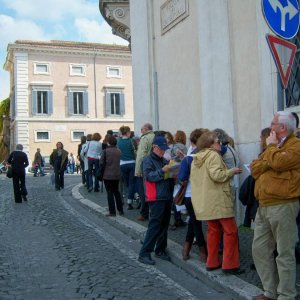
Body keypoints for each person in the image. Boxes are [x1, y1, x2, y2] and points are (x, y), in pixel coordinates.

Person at [251, 111, 300, 300]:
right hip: (263, 205)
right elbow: (255, 168)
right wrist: (271, 157)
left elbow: (279, 163)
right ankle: (269, 291)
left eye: (273, 124)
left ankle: (286, 295)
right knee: (260, 249)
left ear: (282, 127)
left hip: (283, 204)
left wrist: (271, 152)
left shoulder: (296, 145)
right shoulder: (274, 146)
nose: (270, 127)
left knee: (284, 252)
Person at [190, 131, 243, 275]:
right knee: (230, 231)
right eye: (218, 142)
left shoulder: (198, 157)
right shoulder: (213, 155)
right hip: (218, 199)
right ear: (210, 144)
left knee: (213, 231)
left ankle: (212, 262)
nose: (220, 144)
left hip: (206, 201)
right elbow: (217, 175)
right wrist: (231, 171)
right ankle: (230, 265)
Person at [138, 136, 173, 265]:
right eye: (161, 149)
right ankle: (144, 253)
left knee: (164, 225)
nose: (163, 151)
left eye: (164, 149)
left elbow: (165, 176)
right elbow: (149, 177)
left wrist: (172, 172)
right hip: (156, 197)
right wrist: (163, 171)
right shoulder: (147, 160)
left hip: (166, 196)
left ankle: (160, 250)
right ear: (155, 147)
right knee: (155, 226)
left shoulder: (164, 160)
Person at [179, 128, 208, 261]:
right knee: (195, 222)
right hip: (203, 194)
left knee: (195, 223)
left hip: (190, 195)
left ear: (192, 142)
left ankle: (197, 250)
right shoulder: (209, 156)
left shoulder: (189, 159)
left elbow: (182, 178)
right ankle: (190, 250)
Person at [135, 123, 155, 221]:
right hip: (152, 166)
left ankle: (144, 213)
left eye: (142, 129)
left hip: (143, 167)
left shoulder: (144, 138)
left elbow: (141, 155)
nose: (141, 131)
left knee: (143, 192)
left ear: (146, 129)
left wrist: (138, 170)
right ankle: (151, 212)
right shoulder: (154, 136)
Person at [101, 135, 123, 216]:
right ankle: (120, 210)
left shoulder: (105, 151)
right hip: (117, 174)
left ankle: (112, 211)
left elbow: (101, 162)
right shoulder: (119, 151)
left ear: (108, 142)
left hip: (107, 175)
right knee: (117, 192)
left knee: (109, 193)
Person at [117, 125, 136, 210]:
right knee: (131, 183)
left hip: (122, 164)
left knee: (125, 183)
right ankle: (130, 202)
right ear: (128, 132)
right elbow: (134, 151)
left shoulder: (118, 141)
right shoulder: (131, 141)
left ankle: (123, 199)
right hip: (132, 163)